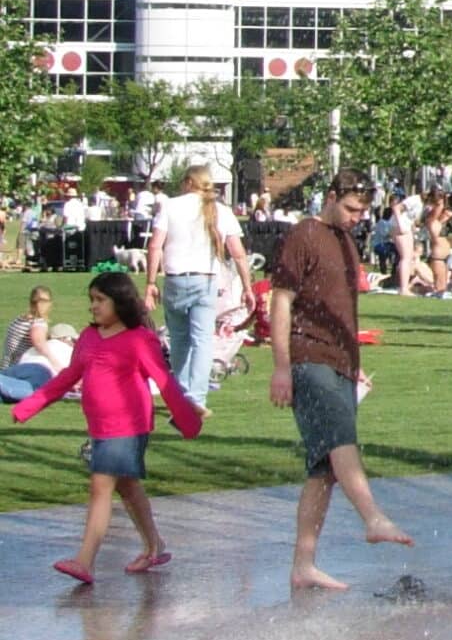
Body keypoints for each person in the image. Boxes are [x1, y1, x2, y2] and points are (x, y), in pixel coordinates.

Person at [7, 271, 201, 583]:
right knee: (127, 485)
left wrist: (188, 421)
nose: (94, 306)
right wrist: (29, 406)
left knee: (101, 485)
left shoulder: (139, 340)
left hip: (128, 425)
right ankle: (154, 545)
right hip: (101, 426)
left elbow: (164, 382)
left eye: (101, 300)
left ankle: (85, 561)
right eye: (91, 300)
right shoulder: (89, 337)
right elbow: (68, 378)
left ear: (120, 302)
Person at [268, 171, 412, 589]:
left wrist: (353, 363)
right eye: (351, 208)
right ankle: (373, 517)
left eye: (363, 211)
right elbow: (281, 301)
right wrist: (281, 366)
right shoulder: (304, 235)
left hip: (340, 363)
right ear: (330, 197)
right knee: (340, 441)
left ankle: (303, 564)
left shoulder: (348, 243)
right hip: (308, 359)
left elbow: (342, 310)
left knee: (323, 469)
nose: (356, 217)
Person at [144, 163, 255, 413]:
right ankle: (197, 397)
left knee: (180, 340)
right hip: (205, 280)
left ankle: (183, 393)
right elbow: (237, 253)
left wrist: (151, 282)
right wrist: (247, 286)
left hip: (175, 278)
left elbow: (155, 246)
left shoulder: (170, 206)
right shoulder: (221, 211)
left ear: (187, 183)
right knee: (203, 340)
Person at [0, 284, 74, 401]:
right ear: (50, 304)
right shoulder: (38, 322)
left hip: (7, 368)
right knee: (31, 392)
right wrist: (55, 363)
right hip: (24, 368)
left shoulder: (19, 320)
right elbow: (39, 343)